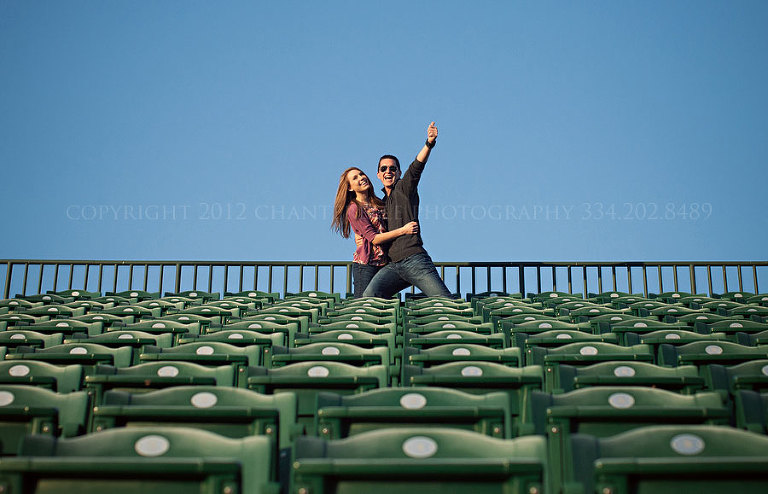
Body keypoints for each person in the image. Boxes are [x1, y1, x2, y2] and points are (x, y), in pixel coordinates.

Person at [361, 122, 452, 298]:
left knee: (445, 302)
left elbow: (417, 166)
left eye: (393, 168)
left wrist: (429, 143)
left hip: (415, 260)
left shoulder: (404, 188)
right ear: (378, 175)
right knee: (370, 296)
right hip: (394, 266)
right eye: (383, 169)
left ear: (399, 173)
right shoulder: (380, 204)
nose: (388, 171)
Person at [332, 166, 419, 297]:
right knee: (363, 307)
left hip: (385, 264)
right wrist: (403, 230)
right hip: (366, 266)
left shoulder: (378, 203)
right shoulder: (354, 208)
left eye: (361, 174)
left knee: (381, 306)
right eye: (355, 178)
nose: (361, 177)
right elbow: (375, 238)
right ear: (350, 188)